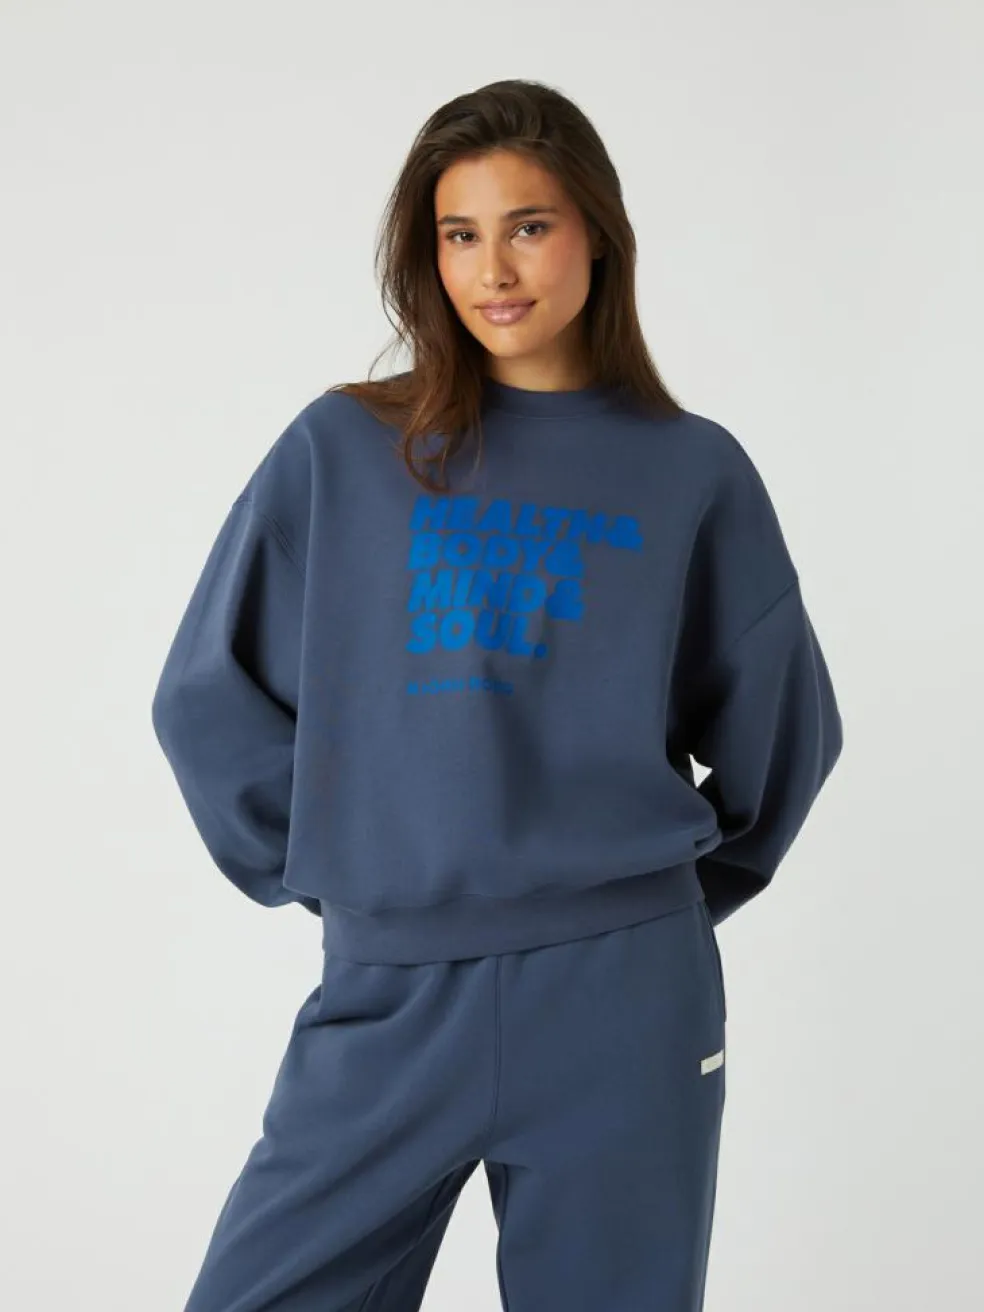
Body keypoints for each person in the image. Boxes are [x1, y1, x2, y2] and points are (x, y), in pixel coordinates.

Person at [151, 77, 844, 1312]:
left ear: (597, 234)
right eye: (459, 234)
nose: (494, 269)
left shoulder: (691, 470)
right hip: (392, 993)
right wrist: (351, 871)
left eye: (529, 225)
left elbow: (784, 732)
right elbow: (209, 696)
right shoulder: (343, 450)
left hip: (624, 996)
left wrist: (649, 905)